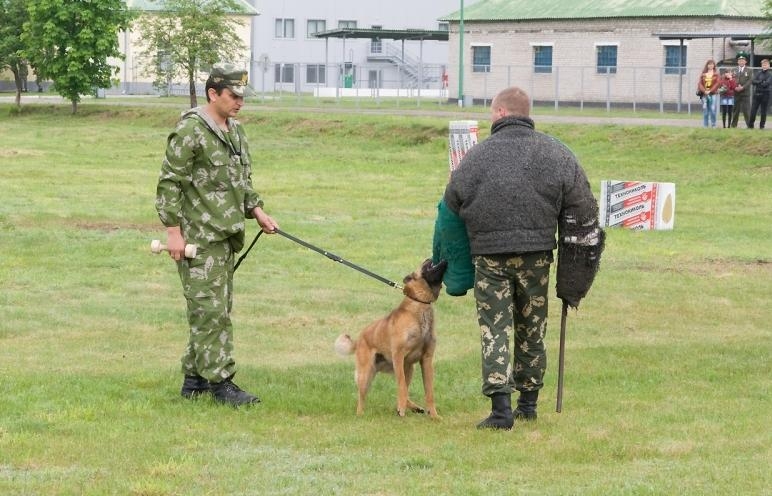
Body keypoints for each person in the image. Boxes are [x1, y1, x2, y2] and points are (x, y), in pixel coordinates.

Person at [443, 86, 599, 430]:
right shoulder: (556, 155)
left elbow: (452, 204)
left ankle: (501, 410)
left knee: (494, 328)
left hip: (489, 258)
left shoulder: (476, 157)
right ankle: (528, 404)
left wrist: (454, 266)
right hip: (537, 257)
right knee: (533, 326)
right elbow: (583, 209)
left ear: (500, 113)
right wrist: (576, 272)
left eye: (490, 112)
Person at [155, 63, 279, 407]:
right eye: (233, 96)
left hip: (226, 235)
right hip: (198, 237)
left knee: (215, 307)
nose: (240, 102)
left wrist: (257, 211)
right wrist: (172, 232)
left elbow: (241, 182)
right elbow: (170, 183)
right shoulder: (190, 131)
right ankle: (222, 383)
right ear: (213, 93)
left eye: (242, 97)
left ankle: (194, 380)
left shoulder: (235, 131)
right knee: (210, 311)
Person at [748, 58, 772, 129]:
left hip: (765, 95)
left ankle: (762, 126)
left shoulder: (770, 74)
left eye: (765, 64)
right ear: (761, 65)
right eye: (763, 64)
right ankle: (751, 125)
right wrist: (761, 81)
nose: (764, 66)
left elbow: (766, 84)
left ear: (768, 65)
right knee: (753, 110)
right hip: (757, 94)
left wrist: (759, 82)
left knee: (763, 111)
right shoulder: (758, 73)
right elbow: (753, 81)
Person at [697, 59, 720, 128]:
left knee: (712, 110)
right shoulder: (703, 74)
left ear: (714, 65)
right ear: (707, 65)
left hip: (713, 94)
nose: (710, 65)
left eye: (712, 64)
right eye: (709, 64)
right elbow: (699, 84)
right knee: (705, 111)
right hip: (704, 95)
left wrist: (710, 91)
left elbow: (717, 83)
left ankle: (713, 125)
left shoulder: (716, 74)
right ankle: (705, 125)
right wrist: (704, 91)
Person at [731, 55, 752, 128]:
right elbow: (732, 80)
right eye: (739, 60)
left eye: (743, 60)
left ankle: (749, 126)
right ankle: (733, 125)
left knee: (746, 110)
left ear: (745, 62)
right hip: (736, 92)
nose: (741, 61)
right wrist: (735, 87)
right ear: (737, 62)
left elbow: (750, 81)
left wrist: (742, 87)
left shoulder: (749, 70)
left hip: (745, 93)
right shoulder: (734, 70)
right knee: (735, 110)